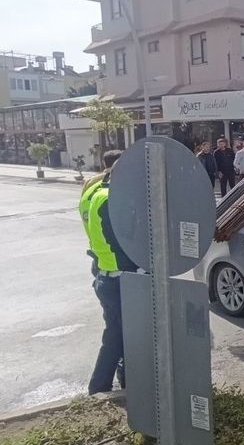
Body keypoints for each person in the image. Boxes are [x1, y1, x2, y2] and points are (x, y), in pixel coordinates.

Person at [86, 151, 138, 394]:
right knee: (117, 337)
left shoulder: (93, 193)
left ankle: (126, 380)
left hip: (104, 273)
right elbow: (122, 241)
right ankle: (99, 388)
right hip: (119, 277)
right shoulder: (110, 200)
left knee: (121, 334)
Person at [80, 150, 124, 278]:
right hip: (116, 262)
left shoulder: (90, 185)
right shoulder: (113, 187)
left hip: (98, 255)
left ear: (104, 164)